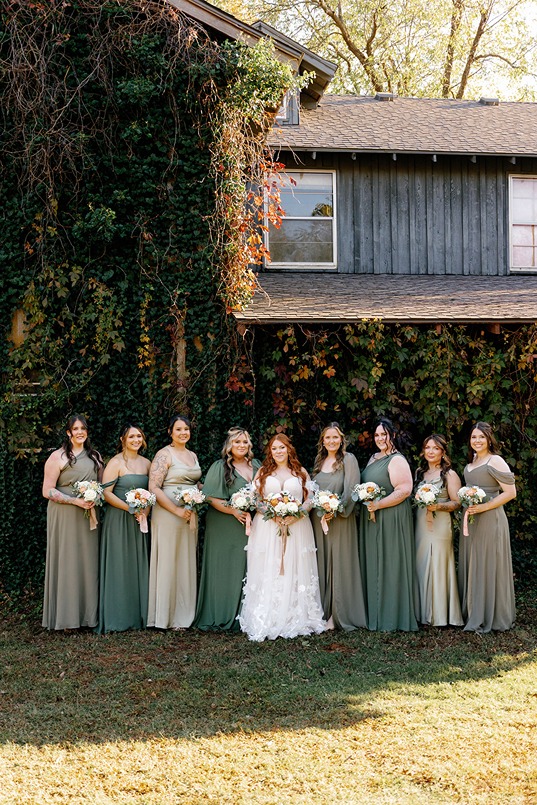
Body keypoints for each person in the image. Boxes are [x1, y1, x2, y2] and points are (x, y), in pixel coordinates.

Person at [239, 434, 326, 641]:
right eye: (274, 448)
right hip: (268, 527)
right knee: (269, 566)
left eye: (282, 448)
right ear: (270, 451)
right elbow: (255, 499)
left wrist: (297, 515)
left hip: (297, 527)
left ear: (289, 449)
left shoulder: (300, 472)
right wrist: (272, 514)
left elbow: (310, 498)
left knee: (294, 565)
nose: (278, 452)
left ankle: (296, 615)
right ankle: (268, 617)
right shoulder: (263, 472)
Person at [194, 428, 261, 631]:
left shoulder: (257, 465)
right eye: (237, 442)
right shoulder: (220, 467)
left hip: (249, 522)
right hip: (224, 522)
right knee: (225, 567)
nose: (241, 445)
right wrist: (233, 511)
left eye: (245, 442)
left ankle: (245, 615)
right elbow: (210, 497)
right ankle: (222, 612)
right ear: (229, 445)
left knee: (245, 565)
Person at [42, 414, 103, 630]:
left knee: (88, 562)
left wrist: (94, 496)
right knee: (67, 561)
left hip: (88, 513)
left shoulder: (95, 456)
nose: (80, 432)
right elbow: (47, 490)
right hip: (64, 513)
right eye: (75, 429)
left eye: (83, 428)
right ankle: (66, 619)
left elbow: (101, 485)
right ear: (68, 433)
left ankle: (88, 617)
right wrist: (74, 501)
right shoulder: (57, 457)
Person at [358, 418, 418, 632]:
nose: (380, 439)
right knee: (374, 561)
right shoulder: (374, 458)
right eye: (377, 435)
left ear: (392, 435)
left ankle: (392, 616)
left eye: (384, 434)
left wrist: (378, 505)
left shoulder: (397, 459)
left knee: (390, 562)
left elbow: (404, 490)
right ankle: (373, 611)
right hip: (372, 517)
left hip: (391, 516)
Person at [458, 421, 516, 633]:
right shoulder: (472, 461)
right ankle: (474, 610)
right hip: (472, 520)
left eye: (481, 437)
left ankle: (492, 615)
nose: (477, 441)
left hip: (491, 518)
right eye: (474, 437)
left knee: (488, 562)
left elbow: (510, 493)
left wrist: (484, 508)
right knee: (474, 561)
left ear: (489, 439)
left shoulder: (496, 460)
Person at [147, 415, 201, 629]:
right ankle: (165, 617)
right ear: (170, 431)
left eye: (186, 429)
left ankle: (183, 615)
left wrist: (199, 494)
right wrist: (176, 510)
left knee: (185, 561)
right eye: (178, 429)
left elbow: (195, 482)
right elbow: (154, 487)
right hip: (168, 514)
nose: (183, 433)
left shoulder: (192, 455)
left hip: (189, 514)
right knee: (168, 560)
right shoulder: (163, 454)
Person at [311, 423, 366, 631]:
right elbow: (313, 489)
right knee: (323, 561)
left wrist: (337, 509)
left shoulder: (348, 459)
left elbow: (352, 488)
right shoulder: (319, 460)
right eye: (327, 438)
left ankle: (339, 614)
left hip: (341, 518)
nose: (331, 441)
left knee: (339, 562)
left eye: (335, 437)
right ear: (323, 441)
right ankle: (324, 612)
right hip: (320, 519)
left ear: (341, 439)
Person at [97, 424, 151, 634]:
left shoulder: (147, 463)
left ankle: (138, 616)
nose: (136, 440)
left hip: (140, 520)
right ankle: (117, 616)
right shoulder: (116, 462)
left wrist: (144, 511)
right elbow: (106, 493)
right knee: (119, 565)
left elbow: (151, 491)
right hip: (119, 519)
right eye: (132, 437)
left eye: (139, 436)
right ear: (123, 440)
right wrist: (129, 508)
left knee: (137, 564)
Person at [414, 434, 463, 627]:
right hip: (420, 523)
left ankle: (441, 615)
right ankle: (422, 612)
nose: (431, 452)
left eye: (435, 448)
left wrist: (438, 507)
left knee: (438, 563)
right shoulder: (420, 472)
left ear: (443, 452)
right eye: (427, 448)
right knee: (421, 563)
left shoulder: (449, 474)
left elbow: (457, 502)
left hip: (440, 524)